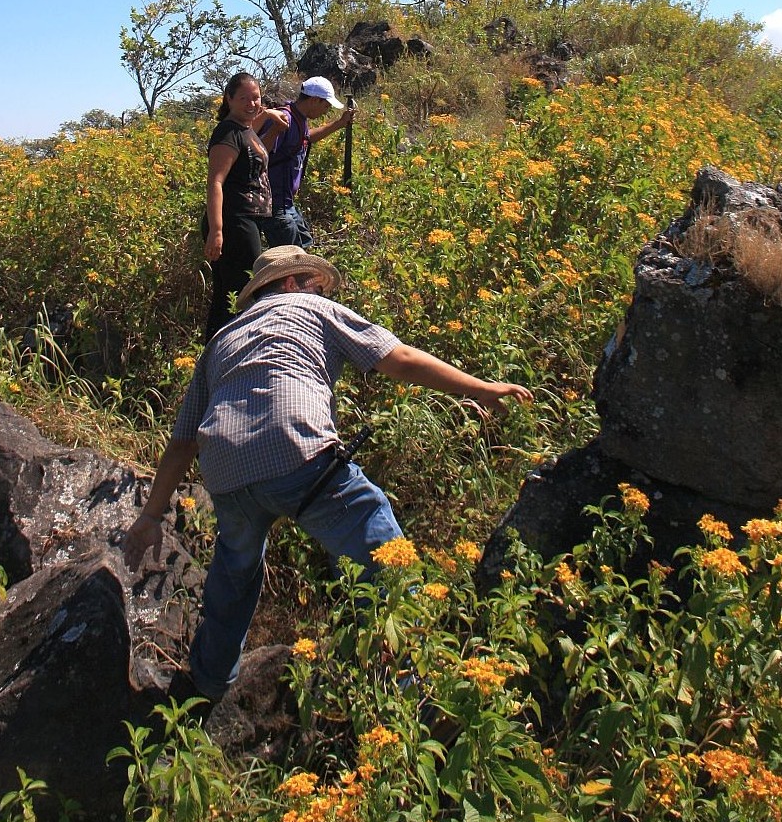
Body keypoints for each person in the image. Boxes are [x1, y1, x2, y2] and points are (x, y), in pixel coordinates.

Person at [123, 245, 534, 704]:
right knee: (376, 540)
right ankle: (413, 688)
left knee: (235, 573)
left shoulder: (221, 339)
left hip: (224, 470)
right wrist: (482, 388)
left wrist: (151, 516)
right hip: (293, 446)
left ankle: (207, 684)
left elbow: (182, 442)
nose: (321, 288)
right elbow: (399, 358)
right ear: (291, 283)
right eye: (313, 281)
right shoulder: (311, 307)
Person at [201, 72, 287, 341]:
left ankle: (214, 353)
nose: (251, 104)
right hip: (234, 221)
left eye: (256, 98)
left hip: (247, 220)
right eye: (244, 98)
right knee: (242, 291)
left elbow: (258, 155)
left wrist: (273, 124)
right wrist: (217, 230)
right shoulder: (228, 132)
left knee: (230, 292)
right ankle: (228, 352)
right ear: (228, 99)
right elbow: (215, 181)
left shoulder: (245, 128)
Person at [262, 76, 356, 249]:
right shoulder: (285, 119)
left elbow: (306, 138)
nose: (326, 111)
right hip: (275, 204)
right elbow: (260, 153)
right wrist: (275, 129)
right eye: (326, 106)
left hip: (287, 203)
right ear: (314, 100)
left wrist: (340, 124)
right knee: (292, 258)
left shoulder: (299, 118)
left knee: (305, 244)